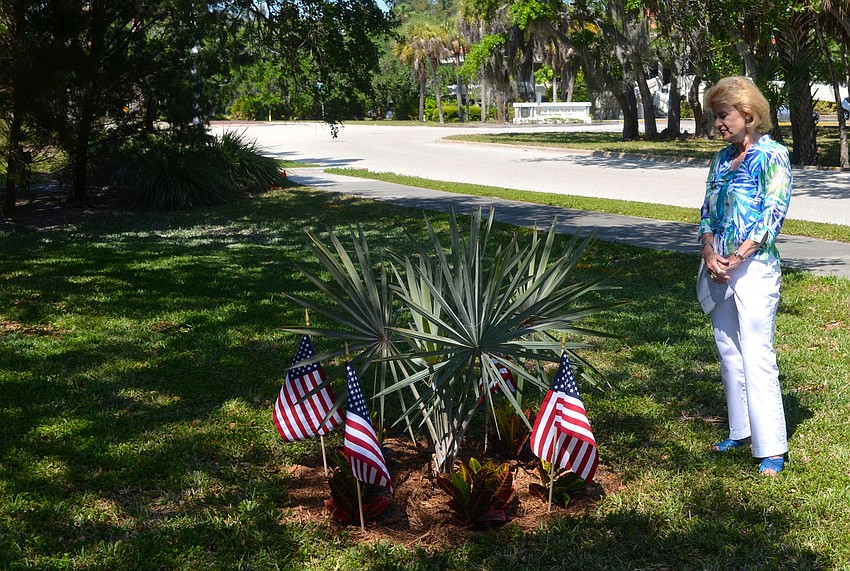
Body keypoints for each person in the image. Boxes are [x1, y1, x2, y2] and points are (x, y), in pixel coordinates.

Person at [699, 76, 792, 476]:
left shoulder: (773, 155)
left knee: (756, 351)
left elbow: (773, 216)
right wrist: (709, 252)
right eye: (715, 117)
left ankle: (771, 446)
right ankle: (740, 430)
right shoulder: (720, 158)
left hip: (753, 267)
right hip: (717, 266)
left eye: (723, 115)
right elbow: (706, 209)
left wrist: (736, 257)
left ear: (748, 114)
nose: (717, 124)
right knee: (728, 348)